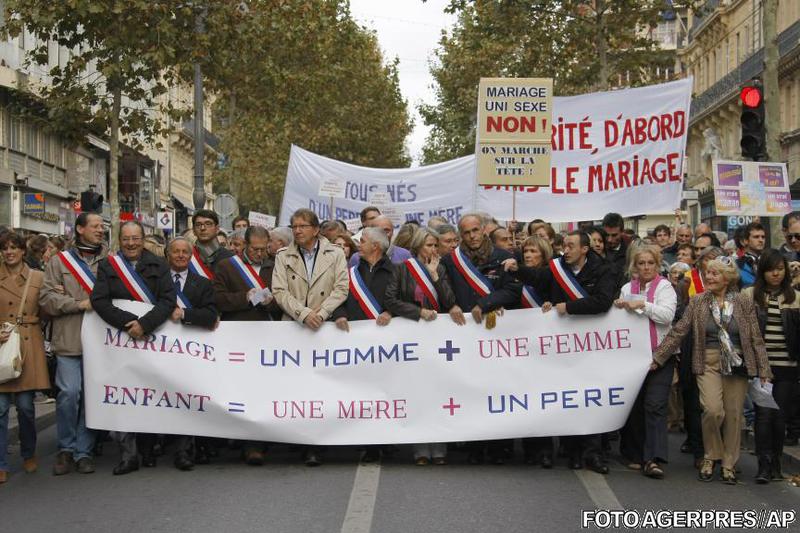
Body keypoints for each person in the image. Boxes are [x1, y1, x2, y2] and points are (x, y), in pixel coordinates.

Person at [653, 257, 772, 484]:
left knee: (734, 415)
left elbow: (756, 337)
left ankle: (728, 464)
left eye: (715, 274)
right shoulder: (698, 302)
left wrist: (764, 368)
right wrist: (659, 357)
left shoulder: (743, 302)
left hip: (737, 363)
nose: (709, 277)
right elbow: (679, 331)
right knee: (712, 410)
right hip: (707, 361)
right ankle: (711, 455)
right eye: (708, 273)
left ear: (727, 278)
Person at [505, 231, 616, 473]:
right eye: (564, 245)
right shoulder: (557, 267)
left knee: (589, 401)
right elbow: (537, 277)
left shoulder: (603, 269)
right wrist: (516, 269)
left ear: (585, 249)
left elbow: (603, 301)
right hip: (561, 346)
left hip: (591, 345)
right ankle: (573, 453)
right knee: (566, 400)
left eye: (571, 246)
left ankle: (593, 454)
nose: (566, 250)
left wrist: (568, 307)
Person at [91, 221, 176, 475]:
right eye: (126, 239)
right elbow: (99, 300)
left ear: (142, 238)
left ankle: (148, 449)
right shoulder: (108, 266)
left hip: (151, 339)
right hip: (121, 339)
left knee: (148, 395)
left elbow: (168, 300)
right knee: (125, 395)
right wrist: (128, 323)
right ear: (120, 239)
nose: (131, 243)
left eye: (135, 238)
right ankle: (128, 455)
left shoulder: (158, 265)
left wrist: (145, 325)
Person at [272, 208, 348, 466]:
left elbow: (341, 288)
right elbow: (279, 291)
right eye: (294, 226)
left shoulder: (335, 254)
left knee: (322, 386)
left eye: (303, 226)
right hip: (295, 326)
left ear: (316, 229)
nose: (298, 231)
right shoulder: (284, 256)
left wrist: (322, 313)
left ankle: (319, 443)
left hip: (322, 328)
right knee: (297, 387)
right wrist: (303, 314)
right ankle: (301, 440)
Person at [440, 214, 518, 464]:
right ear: (461, 235)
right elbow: (444, 288)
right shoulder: (451, 261)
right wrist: (451, 304)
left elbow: (513, 291)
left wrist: (486, 303)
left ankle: (500, 446)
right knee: (472, 389)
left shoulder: (502, 256)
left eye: (475, 230)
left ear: (483, 230)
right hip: (467, 335)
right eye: (467, 233)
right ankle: (475, 444)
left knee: (499, 390)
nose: (472, 236)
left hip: (497, 333)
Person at [385, 227, 462, 465]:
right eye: (429, 245)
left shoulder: (440, 269)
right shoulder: (402, 269)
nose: (433, 249)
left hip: (437, 338)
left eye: (435, 245)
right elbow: (390, 299)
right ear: (418, 246)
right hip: (413, 335)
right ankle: (420, 449)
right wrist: (418, 312)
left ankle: (439, 448)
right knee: (418, 392)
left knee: (439, 391)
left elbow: (450, 301)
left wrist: (436, 277)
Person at [39, 212, 108, 476]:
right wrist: (76, 303)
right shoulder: (59, 262)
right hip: (68, 339)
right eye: (95, 226)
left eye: (102, 226)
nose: (100, 230)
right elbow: (46, 299)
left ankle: (83, 451)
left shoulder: (109, 262)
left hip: (100, 343)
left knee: (90, 397)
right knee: (69, 394)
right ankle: (65, 447)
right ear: (80, 229)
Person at [333, 227, 397, 463]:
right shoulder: (350, 272)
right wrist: (339, 314)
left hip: (386, 343)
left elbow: (403, 298)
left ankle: (385, 440)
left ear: (376, 247)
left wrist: (391, 311)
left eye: (364, 241)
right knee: (361, 392)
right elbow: (337, 297)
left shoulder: (395, 272)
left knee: (384, 392)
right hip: (356, 343)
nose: (359, 243)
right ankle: (365, 441)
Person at [615, 246, 677, 479]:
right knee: (635, 405)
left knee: (655, 404)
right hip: (633, 356)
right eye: (641, 263)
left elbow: (666, 316)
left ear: (657, 264)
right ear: (635, 265)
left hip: (660, 355)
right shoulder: (626, 288)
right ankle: (635, 453)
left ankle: (654, 458)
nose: (646, 267)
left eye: (650, 262)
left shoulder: (664, 287)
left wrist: (642, 304)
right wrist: (619, 307)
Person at [743, 250, 799, 483]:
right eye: (770, 269)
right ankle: (764, 465)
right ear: (762, 271)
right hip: (761, 367)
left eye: (780, 269)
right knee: (763, 415)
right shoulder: (749, 295)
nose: (775, 273)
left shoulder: (795, 297)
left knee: (779, 416)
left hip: (788, 364)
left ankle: (775, 464)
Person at [166, 236, 219, 470]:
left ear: (190, 256)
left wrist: (185, 315)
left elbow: (210, 317)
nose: (180, 256)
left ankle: (190, 449)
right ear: (168, 255)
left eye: (184, 252)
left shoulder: (203, 283)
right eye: (175, 252)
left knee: (191, 400)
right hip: (162, 351)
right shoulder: (156, 282)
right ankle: (159, 450)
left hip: (194, 352)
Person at [0, 232, 48, 484]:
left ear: (22, 250)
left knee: (27, 408)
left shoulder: (37, 277)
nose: (9, 252)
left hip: (28, 346)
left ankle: (29, 453)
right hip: (2, 347)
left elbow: (47, 311)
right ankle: (0, 463)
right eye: (5, 248)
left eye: (14, 248)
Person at [192, 209, 234, 278]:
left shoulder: (231, 258)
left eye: (208, 224)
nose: (203, 228)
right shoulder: (188, 257)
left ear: (217, 229)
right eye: (198, 225)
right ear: (193, 230)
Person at [735, 222, 766, 288]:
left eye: (763, 237)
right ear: (745, 241)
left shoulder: (770, 261)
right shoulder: (736, 265)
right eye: (756, 237)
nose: (761, 240)